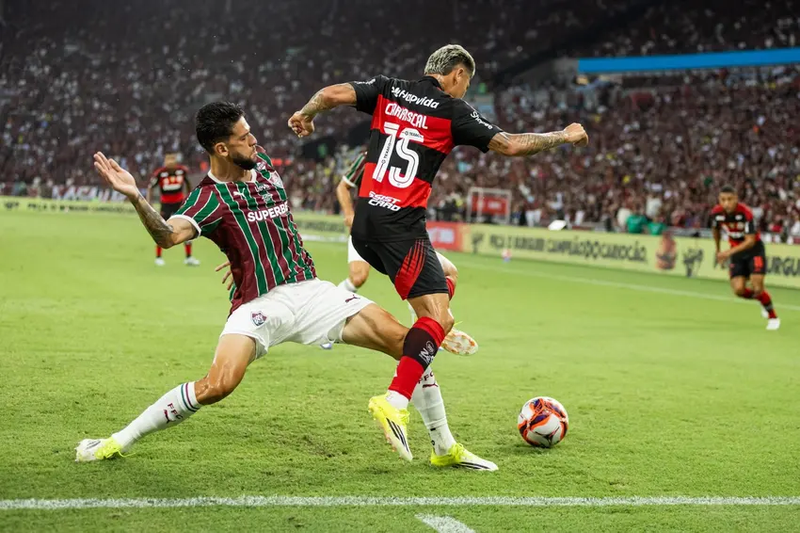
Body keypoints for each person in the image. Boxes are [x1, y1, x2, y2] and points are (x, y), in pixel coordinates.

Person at [75, 102, 496, 470]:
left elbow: (266, 226)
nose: (255, 140)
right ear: (221, 149)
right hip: (260, 305)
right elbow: (168, 236)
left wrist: (247, 254)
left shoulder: (264, 166)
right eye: (244, 137)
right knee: (217, 385)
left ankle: (444, 446)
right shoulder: (207, 198)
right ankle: (116, 441)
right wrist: (135, 196)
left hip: (314, 293)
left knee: (409, 346)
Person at [289, 44, 588, 460]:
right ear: (458, 74)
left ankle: (442, 432)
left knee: (447, 279)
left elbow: (331, 94)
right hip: (401, 228)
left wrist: (307, 113)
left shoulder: (389, 89)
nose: (466, 89)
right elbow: (511, 146)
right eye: (468, 81)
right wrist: (564, 135)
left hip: (366, 223)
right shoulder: (452, 110)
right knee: (437, 317)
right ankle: (395, 401)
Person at [332, 149, 477, 355]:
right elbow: (343, 187)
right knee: (358, 277)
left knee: (435, 277)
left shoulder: (414, 157)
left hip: (401, 236)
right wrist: (349, 214)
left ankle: (432, 327)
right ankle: (332, 319)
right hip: (368, 227)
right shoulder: (372, 154)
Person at [711, 185, 779, 330]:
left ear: (736, 199)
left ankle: (773, 316)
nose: (726, 203)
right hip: (736, 253)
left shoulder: (746, 213)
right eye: (723, 200)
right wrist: (718, 250)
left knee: (757, 286)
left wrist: (727, 253)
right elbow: (715, 229)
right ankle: (763, 300)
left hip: (754, 251)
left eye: (729, 199)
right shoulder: (716, 213)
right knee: (739, 290)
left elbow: (750, 241)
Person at [146, 153, 199, 266]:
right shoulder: (160, 173)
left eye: (172, 159)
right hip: (165, 204)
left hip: (179, 204)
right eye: (168, 160)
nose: (170, 162)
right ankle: (158, 257)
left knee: (187, 228)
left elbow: (188, 184)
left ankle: (188, 257)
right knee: (161, 229)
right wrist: (149, 203)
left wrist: (189, 198)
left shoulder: (182, 171)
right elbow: (150, 187)